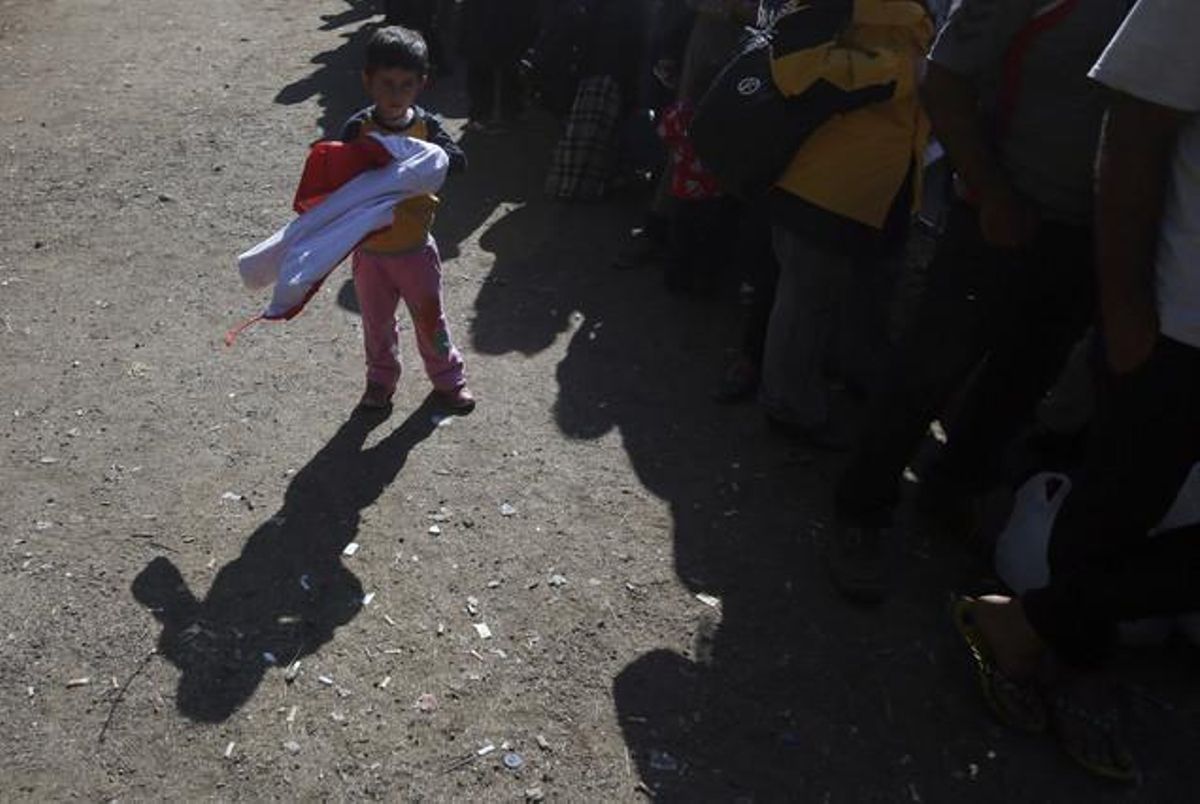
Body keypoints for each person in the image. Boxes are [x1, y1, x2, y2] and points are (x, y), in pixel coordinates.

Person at [954, 0, 1200, 781]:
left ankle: (1028, 625)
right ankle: (1075, 661)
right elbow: (1132, 129)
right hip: (1178, 320)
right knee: (1113, 509)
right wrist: (1125, 305)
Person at [828, 0, 1134, 603]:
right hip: (998, 215)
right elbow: (943, 80)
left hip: (1090, 238)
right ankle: (861, 509)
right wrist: (991, 193)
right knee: (928, 369)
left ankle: (952, 491)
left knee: (1023, 381)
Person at [756, 0, 933, 446]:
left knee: (830, 300)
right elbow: (795, 65)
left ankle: (817, 389)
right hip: (825, 182)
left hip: (881, 184)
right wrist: (903, 72)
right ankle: (788, 407)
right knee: (805, 302)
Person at [340, 26, 475, 413]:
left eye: (406, 85)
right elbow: (334, 175)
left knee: (431, 320)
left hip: (416, 250)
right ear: (368, 80)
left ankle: (449, 380)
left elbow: (458, 160)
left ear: (421, 84)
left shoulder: (427, 127)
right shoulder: (357, 129)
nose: (395, 95)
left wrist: (430, 157)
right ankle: (379, 381)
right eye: (386, 83)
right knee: (376, 325)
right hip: (371, 252)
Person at [459, 0, 540, 131]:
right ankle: (504, 114)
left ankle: (487, 116)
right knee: (502, 70)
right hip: (502, 27)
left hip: (491, 27)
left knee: (488, 71)